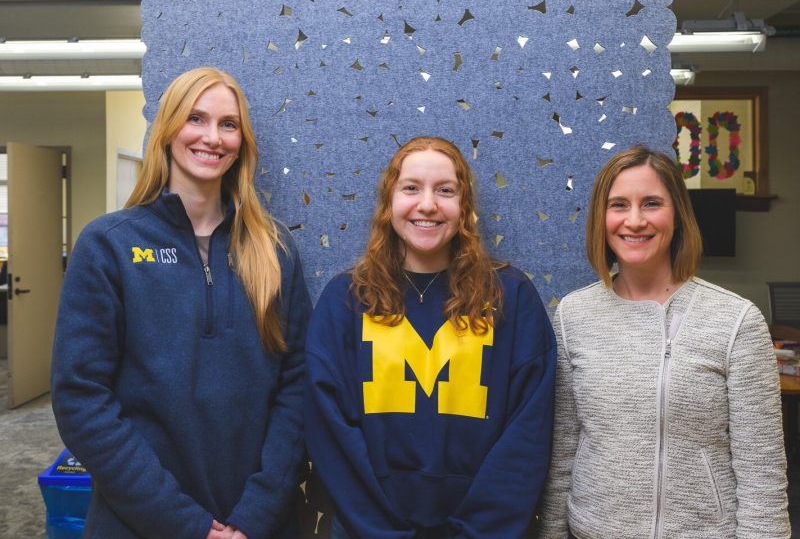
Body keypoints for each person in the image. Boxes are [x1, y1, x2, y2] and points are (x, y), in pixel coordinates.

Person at [51, 67, 311, 539]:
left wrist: (255, 515)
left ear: (242, 140)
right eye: (196, 118)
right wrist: (186, 525)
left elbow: (298, 390)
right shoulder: (109, 245)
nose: (213, 137)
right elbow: (82, 400)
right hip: (141, 523)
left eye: (228, 124)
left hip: (259, 524)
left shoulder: (274, 250)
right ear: (168, 128)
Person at [305, 136, 556, 538]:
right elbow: (329, 434)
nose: (427, 204)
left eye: (445, 190)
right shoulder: (346, 301)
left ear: (464, 208)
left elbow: (527, 437)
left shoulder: (511, 298)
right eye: (411, 188)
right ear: (388, 203)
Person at [539, 145, 790, 538]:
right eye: (619, 205)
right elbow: (563, 453)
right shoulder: (573, 315)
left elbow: (763, 474)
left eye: (652, 203)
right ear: (601, 218)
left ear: (677, 216)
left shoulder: (736, 321)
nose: (634, 221)